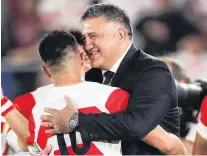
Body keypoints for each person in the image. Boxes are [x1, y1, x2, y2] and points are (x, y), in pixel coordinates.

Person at [41, 3, 183, 155]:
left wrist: (77, 121)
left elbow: (138, 125)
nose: (87, 45)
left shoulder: (152, 71)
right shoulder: (90, 75)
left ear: (120, 35)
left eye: (93, 36)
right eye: (84, 38)